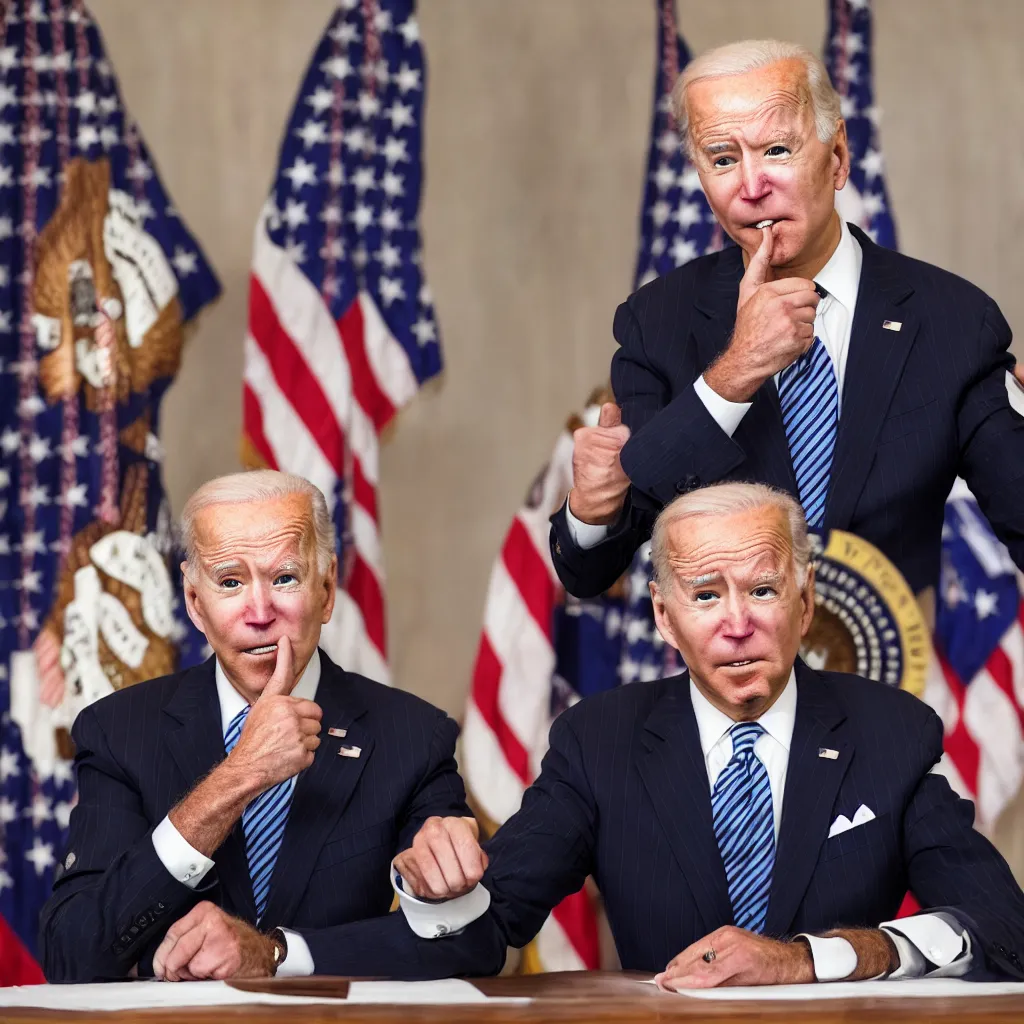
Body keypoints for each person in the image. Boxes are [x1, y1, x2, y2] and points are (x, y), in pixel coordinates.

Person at [394, 483, 1024, 986]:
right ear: (664, 617)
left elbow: (1003, 929)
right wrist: (431, 887)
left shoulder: (893, 732)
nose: (737, 623)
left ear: (805, 604)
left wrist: (812, 960)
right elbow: (490, 921)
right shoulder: (600, 739)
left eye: (762, 589)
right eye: (704, 595)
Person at [550, 39, 1024, 601]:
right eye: (723, 159)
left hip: (885, 680)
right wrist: (736, 371)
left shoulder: (954, 320)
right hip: (727, 680)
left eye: (777, 149)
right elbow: (591, 570)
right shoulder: (658, 321)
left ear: (838, 158)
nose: (751, 188)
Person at [39, 470, 497, 983]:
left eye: (284, 578)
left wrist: (277, 955)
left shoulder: (413, 735)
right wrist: (238, 775)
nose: (259, 612)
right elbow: (72, 954)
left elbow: (474, 944)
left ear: (326, 590)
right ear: (195, 602)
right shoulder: (117, 730)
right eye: (230, 582)